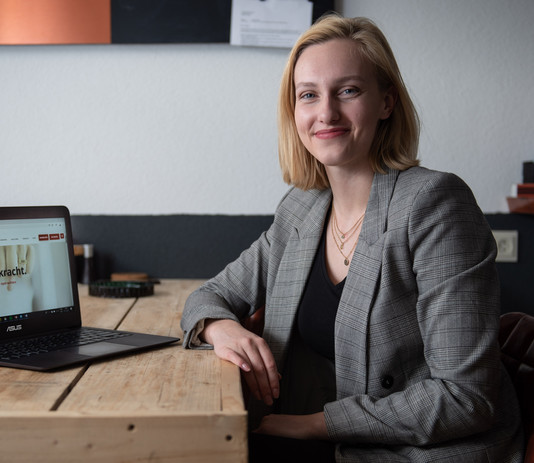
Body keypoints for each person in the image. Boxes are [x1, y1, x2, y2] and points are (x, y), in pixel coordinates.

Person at [180, 14, 524, 462]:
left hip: (420, 452)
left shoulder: (436, 204)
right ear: (295, 112)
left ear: (386, 102)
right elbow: (209, 295)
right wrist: (221, 327)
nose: (326, 113)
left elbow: (465, 398)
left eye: (348, 91)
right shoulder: (301, 208)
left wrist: (315, 425)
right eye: (309, 95)